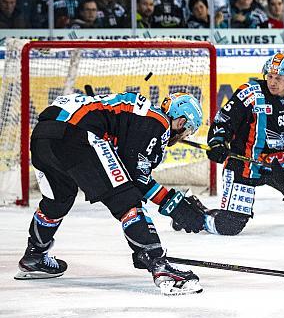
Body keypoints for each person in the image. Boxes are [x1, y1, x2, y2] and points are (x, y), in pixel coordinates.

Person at [15, 92, 207, 295]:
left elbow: (132, 171)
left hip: (42, 136)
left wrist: (169, 202)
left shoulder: (139, 116)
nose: (183, 136)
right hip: (75, 134)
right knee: (126, 200)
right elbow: (136, 178)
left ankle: (34, 256)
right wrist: (172, 204)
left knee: (58, 200)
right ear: (181, 121)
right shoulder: (156, 122)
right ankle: (159, 265)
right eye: (187, 131)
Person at [204, 53, 284, 235]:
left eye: (278, 78)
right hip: (244, 165)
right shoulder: (250, 94)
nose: (272, 82)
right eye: (270, 76)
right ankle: (194, 212)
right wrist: (217, 142)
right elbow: (223, 121)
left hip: (278, 166)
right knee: (229, 226)